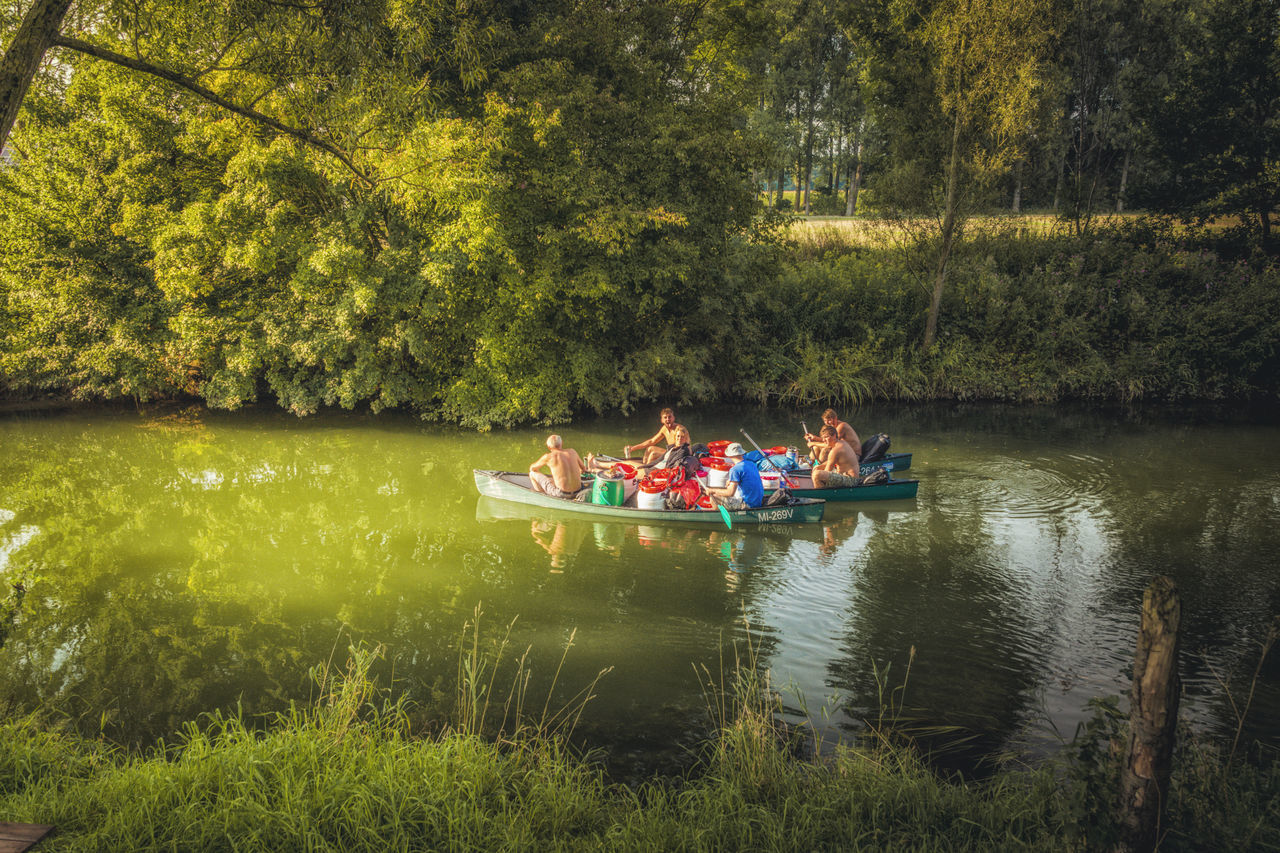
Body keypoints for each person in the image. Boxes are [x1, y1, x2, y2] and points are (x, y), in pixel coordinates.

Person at [528, 434, 589, 499]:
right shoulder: (572, 451)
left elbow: (532, 468)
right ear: (562, 443)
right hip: (578, 491)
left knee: (532, 473)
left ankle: (542, 497)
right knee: (554, 480)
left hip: (561, 494)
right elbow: (583, 469)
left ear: (549, 447)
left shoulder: (548, 457)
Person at [706, 442, 764, 509]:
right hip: (758, 502)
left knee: (714, 497)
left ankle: (718, 517)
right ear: (741, 453)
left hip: (747, 504)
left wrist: (712, 490)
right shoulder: (751, 464)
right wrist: (730, 480)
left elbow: (730, 493)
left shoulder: (735, 469)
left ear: (729, 456)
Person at [625, 408, 690, 466]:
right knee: (650, 448)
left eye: (670, 417)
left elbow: (687, 444)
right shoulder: (664, 429)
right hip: (670, 451)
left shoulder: (679, 429)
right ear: (662, 420)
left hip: (678, 453)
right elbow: (652, 441)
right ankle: (644, 464)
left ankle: (646, 471)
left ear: (673, 418)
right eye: (665, 417)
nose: (668, 419)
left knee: (653, 454)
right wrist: (633, 448)